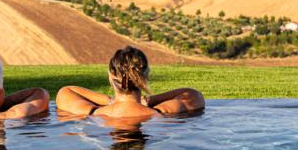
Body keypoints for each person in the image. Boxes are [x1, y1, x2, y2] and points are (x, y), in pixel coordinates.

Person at [56, 45, 204, 120]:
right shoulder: (160, 113)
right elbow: (193, 95)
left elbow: (66, 91)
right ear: (145, 78)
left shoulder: (93, 113)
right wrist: (149, 100)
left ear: (110, 77)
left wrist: (110, 102)